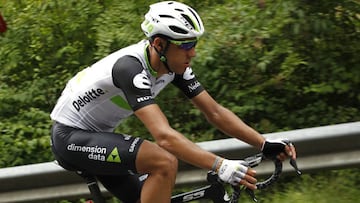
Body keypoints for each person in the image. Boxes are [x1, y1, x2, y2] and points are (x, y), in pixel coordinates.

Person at [50, 1, 297, 203]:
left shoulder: (173, 65)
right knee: (164, 161)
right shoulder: (130, 68)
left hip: (96, 135)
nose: (193, 52)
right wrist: (220, 165)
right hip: (71, 138)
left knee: (150, 196)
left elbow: (215, 113)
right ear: (159, 44)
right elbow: (164, 137)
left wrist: (263, 143)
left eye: (194, 44)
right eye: (186, 45)